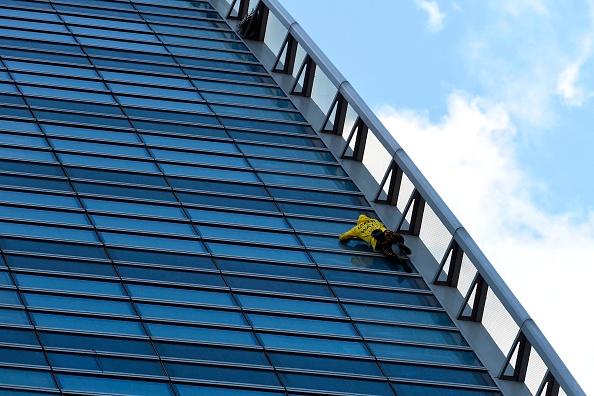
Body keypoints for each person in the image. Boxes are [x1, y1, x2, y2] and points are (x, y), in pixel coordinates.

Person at [339, 214, 411, 261]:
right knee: (399, 237)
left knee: (388, 252)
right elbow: (382, 227)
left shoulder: (356, 229)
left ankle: (400, 261)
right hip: (386, 234)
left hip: (377, 242)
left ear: (359, 222)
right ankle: (400, 243)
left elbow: (343, 237)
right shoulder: (373, 220)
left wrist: (341, 236)